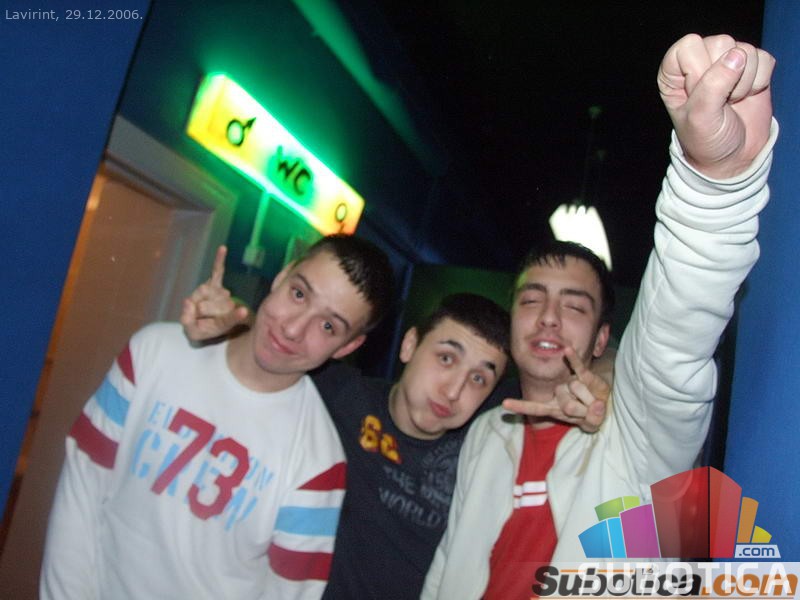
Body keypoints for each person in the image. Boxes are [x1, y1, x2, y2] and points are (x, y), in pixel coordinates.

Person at [421, 33, 778, 599]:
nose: (547, 317)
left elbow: (670, 347)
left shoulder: (634, 434)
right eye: (531, 299)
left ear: (601, 339)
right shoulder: (488, 431)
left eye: (574, 305)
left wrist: (713, 185)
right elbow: (448, 566)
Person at [182, 269, 611, 598]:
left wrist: (606, 386)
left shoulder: (487, 445)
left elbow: (599, 371)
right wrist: (230, 321)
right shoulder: (340, 394)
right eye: (446, 358)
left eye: (479, 379)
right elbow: (281, 348)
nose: (454, 390)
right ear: (409, 345)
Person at [40, 234, 395, 599]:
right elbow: (81, 486)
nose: (293, 329)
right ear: (283, 274)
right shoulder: (152, 352)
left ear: (348, 346)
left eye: (328, 327)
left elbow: (287, 593)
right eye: (299, 294)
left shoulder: (319, 465)